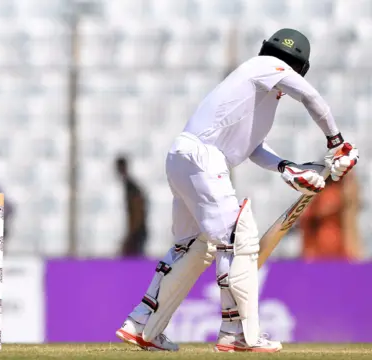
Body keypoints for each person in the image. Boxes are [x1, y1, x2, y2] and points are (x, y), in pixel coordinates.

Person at [115, 28, 359, 353]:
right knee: (239, 239)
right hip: (205, 158)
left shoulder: (256, 89)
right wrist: (336, 143)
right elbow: (312, 97)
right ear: (299, 68)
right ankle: (239, 333)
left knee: (192, 247)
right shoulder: (268, 67)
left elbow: (253, 147)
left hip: (183, 155)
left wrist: (287, 167)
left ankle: (142, 322)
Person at [299, 170, 362, 260]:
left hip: (341, 253)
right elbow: (313, 214)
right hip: (317, 254)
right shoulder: (319, 191)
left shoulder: (344, 188)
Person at [115, 155, 149, 257]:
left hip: (137, 233)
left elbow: (137, 210)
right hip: (137, 232)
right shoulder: (129, 185)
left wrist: (131, 234)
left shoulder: (131, 187)